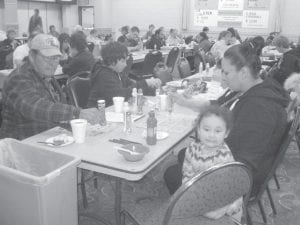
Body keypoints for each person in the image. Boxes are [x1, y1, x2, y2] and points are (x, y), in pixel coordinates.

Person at [165, 43, 289, 197]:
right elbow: (219, 106)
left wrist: (206, 161)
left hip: (238, 176)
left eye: (226, 72)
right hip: (230, 153)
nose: (222, 76)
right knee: (184, 154)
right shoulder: (247, 89)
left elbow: (245, 162)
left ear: (243, 72)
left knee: (171, 174)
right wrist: (186, 103)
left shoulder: (260, 109)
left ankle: (196, 210)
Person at [0, 34, 102, 140]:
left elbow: (57, 110)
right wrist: (77, 113)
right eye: (47, 58)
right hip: (20, 144)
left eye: (56, 58)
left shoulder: (47, 76)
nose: (52, 63)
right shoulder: (18, 78)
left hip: (47, 138)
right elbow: (33, 106)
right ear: (32, 56)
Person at [181, 105, 242, 221]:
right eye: (206, 129)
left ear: (226, 133)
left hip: (224, 199)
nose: (211, 135)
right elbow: (186, 175)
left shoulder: (224, 156)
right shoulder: (192, 148)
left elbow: (227, 188)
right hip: (202, 194)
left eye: (218, 131)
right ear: (198, 129)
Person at [87, 41, 161, 107]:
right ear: (112, 62)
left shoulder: (116, 72)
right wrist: (145, 83)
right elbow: (120, 96)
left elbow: (132, 85)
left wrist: (151, 85)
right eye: (123, 61)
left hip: (112, 110)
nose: (126, 64)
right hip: (98, 115)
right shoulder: (103, 75)